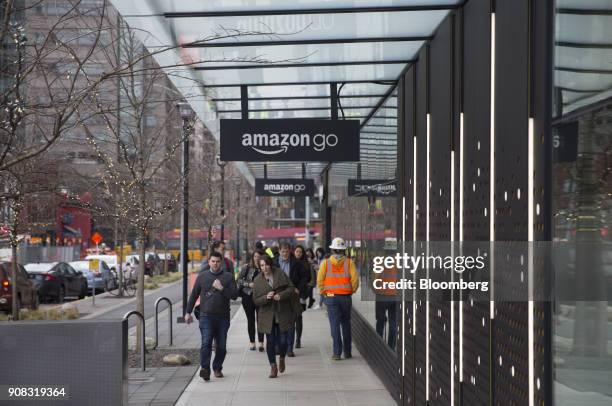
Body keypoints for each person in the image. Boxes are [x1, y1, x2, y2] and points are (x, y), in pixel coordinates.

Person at [186, 252, 238, 381]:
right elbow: (194, 295)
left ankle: (217, 367)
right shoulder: (202, 276)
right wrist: (187, 312)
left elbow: (234, 295)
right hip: (206, 316)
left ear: (221, 262)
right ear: (209, 262)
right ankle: (205, 369)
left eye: (217, 261)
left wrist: (221, 288)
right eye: (213, 261)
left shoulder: (228, 277)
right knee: (206, 343)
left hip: (223, 316)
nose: (215, 264)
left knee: (221, 346)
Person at [253, 255, 295, 378]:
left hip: (281, 312)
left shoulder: (280, 273)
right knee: (270, 342)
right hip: (267, 315)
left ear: (270, 264)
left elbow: (291, 288)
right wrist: (266, 297)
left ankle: (282, 358)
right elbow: (256, 300)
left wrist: (280, 295)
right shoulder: (257, 280)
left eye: (266, 264)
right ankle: (273, 366)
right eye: (261, 265)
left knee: (283, 341)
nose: (264, 268)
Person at [317, 237, 359, 360]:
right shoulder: (349, 263)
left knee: (334, 325)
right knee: (346, 324)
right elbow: (355, 281)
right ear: (343, 250)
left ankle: (337, 353)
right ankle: (347, 352)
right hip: (345, 297)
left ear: (333, 250)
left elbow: (320, 281)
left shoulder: (325, 263)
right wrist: (350, 291)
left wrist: (325, 294)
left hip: (331, 296)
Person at [274, 242, 310, 356]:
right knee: (278, 322)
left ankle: (289, 348)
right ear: (279, 251)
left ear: (290, 251)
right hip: (278, 296)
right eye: (283, 251)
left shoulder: (296, 263)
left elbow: (306, 276)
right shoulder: (274, 263)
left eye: (287, 251)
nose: (285, 254)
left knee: (291, 323)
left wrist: (298, 288)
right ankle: (279, 346)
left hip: (292, 296)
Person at [237, 250, 265, 352]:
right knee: (251, 320)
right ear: (253, 257)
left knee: (260, 320)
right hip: (248, 296)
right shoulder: (247, 267)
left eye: (259, 256)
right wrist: (248, 284)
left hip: (261, 297)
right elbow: (239, 280)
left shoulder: (264, 268)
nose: (257, 258)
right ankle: (252, 342)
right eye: (255, 256)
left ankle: (261, 343)